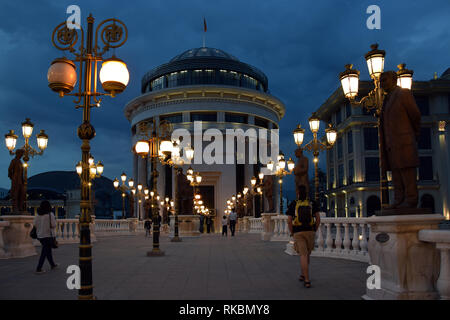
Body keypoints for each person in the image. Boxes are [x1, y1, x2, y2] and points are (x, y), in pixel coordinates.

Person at [379, 71, 421, 209]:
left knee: (407, 173)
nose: (382, 83)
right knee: (396, 174)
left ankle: (411, 199)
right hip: (391, 145)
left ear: (394, 80)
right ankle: (398, 199)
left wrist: (412, 134)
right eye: (380, 81)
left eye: (384, 80)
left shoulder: (403, 94)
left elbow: (415, 115)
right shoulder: (386, 100)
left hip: (404, 142)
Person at [287, 185, 320, 288]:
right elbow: (318, 218)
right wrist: (315, 229)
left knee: (303, 255)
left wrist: (292, 232)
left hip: (298, 232)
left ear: (298, 194)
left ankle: (307, 279)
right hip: (310, 231)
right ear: (306, 194)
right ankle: (303, 274)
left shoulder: (294, 203)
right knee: (307, 254)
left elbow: (289, 220)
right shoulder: (312, 203)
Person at [33, 200, 58, 274]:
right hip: (48, 235)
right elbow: (54, 225)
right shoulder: (50, 214)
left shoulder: (37, 215)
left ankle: (52, 265)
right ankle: (39, 268)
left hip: (40, 236)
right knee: (44, 252)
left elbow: (35, 225)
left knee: (48, 251)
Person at [8, 149, 26, 213]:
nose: (22, 155)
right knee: (15, 194)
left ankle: (20, 207)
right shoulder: (14, 161)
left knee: (21, 194)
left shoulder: (20, 162)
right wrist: (12, 177)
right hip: (16, 180)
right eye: (21, 154)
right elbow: (10, 170)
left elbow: (22, 172)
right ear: (18, 154)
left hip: (20, 181)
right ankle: (15, 208)